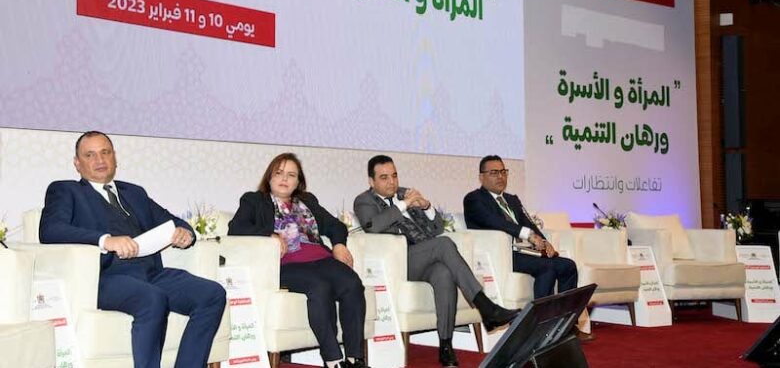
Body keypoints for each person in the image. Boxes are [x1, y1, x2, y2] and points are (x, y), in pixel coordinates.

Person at [39, 131, 226, 368]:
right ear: (77, 163)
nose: (100, 160)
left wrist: (185, 233)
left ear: (114, 157)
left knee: (212, 294)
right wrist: (105, 240)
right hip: (105, 278)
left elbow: (172, 221)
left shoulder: (134, 193)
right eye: (90, 155)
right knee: (153, 298)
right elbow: (50, 230)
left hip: (151, 274)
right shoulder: (66, 191)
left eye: (105, 152)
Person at [354, 155, 518, 368]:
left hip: (428, 256)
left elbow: (438, 228)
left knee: (444, 273)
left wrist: (426, 206)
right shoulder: (364, 200)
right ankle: (485, 307)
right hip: (401, 261)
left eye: (394, 176)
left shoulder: (405, 194)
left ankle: (446, 346)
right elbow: (372, 226)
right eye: (384, 178)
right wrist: (403, 205)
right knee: (444, 244)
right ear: (371, 181)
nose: (392, 182)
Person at [228, 153, 368, 368]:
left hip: (322, 260)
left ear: (298, 182)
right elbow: (236, 228)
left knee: (352, 282)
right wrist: (269, 234)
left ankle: (354, 359)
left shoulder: (308, 201)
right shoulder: (254, 200)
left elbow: (335, 225)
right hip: (287, 265)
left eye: (291, 175)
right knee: (319, 287)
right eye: (279, 173)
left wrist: (339, 244)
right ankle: (333, 360)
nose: (284, 178)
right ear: (269, 177)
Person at [463, 155, 579, 300]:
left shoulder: (512, 200)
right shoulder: (474, 199)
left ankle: (566, 313)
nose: (500, 176)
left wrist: (544, 242)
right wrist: (528, 235)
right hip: (504, 254)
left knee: (568, 265)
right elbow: (496, 222)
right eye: (494, 173)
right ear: (481, 177)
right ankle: (542, 314)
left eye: (503, 172)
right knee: (547, 267)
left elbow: (529, 223)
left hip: (525, 251)